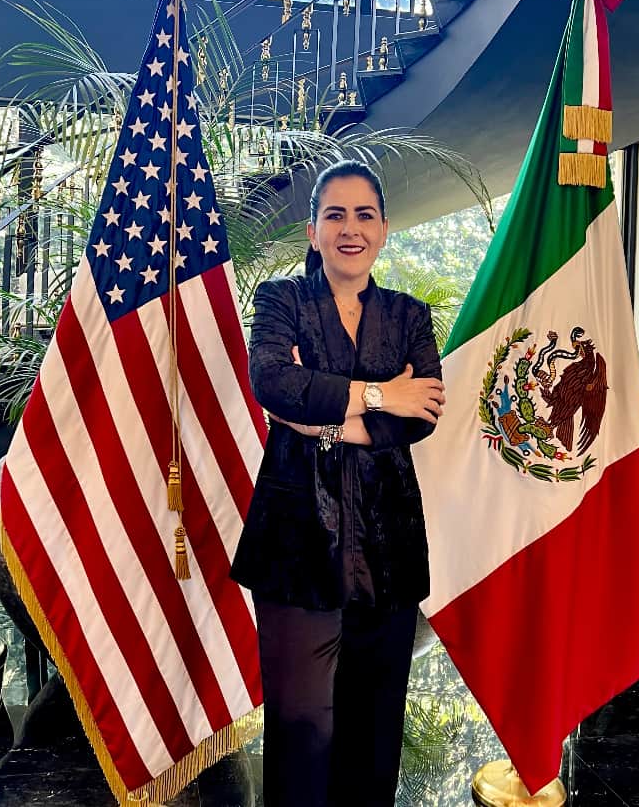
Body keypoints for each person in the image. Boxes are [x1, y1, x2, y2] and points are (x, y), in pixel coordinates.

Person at [230, 160, 445, 806]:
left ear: (384, 229)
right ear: (313, 229)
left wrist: (317, 420)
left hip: (390, 542)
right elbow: (273, 383)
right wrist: (383, 394)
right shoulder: (281, 300)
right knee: (302, 729)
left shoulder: (408, 316)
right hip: (295, 539)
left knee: (375, 727)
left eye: (364, 214)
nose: (350, 229)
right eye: (335, 214)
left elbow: (425, 413)